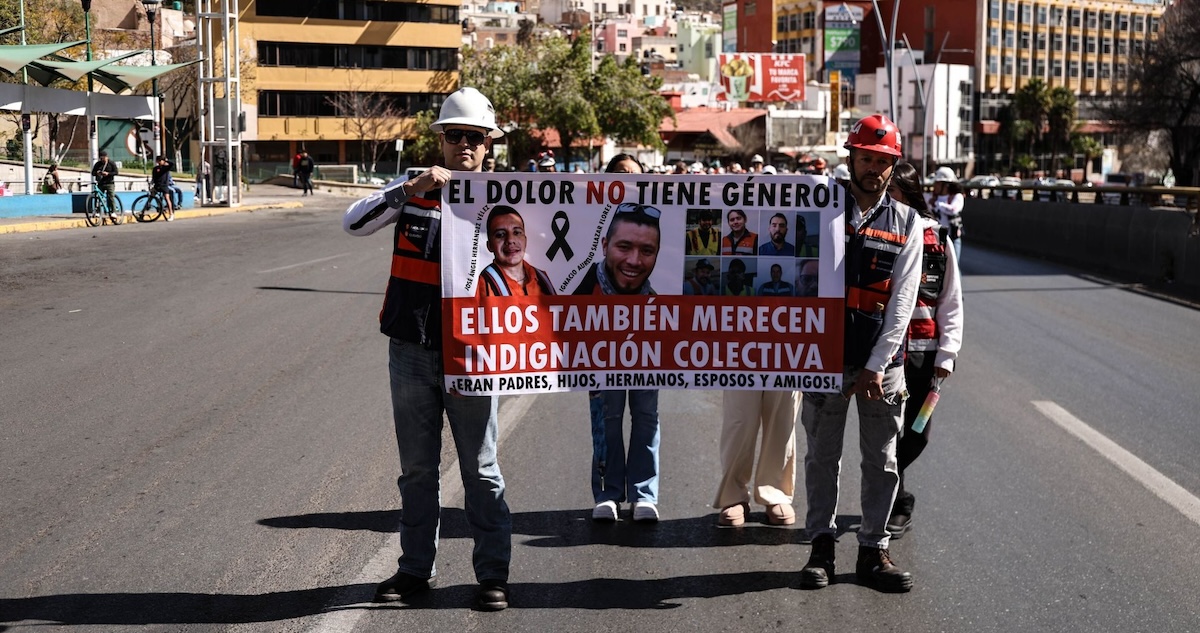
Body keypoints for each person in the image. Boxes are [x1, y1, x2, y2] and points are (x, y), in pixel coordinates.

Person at [342, 87, 512, 611]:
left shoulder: (507, 201)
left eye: (474, 138)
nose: (464, 144)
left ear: (488, 145)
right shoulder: (411, 188)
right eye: (455, 135)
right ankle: (416, 569)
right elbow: (353, 222)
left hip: (475, 354)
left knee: (481, 470)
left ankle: (492, 575)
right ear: (441, 140)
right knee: (417, 470)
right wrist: (407, 189)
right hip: (411, 349)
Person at [798, 113, 922, 593]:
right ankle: (821, 549)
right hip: (824, 360)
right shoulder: (818, 206)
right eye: (866, 158)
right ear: (850, 157)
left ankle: (874, 550)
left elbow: (903, 301)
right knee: (821, 457)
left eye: (883, 161)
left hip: (881, 368)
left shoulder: (909, 223)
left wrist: (877, 365)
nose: (873, 168)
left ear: (893, 166)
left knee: (883, 461)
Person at [884, 161, 964, 538]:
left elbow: (950, 301)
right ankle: (894, 501)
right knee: (884, 433)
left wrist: (946, 354)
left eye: (894, 192)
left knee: (918, 432)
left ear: (910, 195)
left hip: (923, 354)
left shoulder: (938, 239)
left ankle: (893, 488)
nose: (887, 199)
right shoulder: (874, 233)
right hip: (882, 357)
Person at [573, 194, 664, 524]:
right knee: (607, 421)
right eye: (624, 247)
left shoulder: (659, 295)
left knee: (646, 419)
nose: (634, 260)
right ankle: (608, 493)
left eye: (646, 251)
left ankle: (644, 494)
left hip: (646, 363)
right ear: (605, 244)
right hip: (601, 367)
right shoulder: (584, 288)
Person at [476, 205, 555, 297]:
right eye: (500, 234)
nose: (510, 240)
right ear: (489, 245)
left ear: (525, 240)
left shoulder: (542, 279)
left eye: (517, 232)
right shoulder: (482, 283)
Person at [931, 167, 965, 256]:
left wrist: (938, 204)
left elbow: (953, 210)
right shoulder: (933, 198)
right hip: (937, 238)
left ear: (946, 185)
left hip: (952, 238)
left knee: (953, 268)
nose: (935, 186)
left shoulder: (957, 197)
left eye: (938, 183)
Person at [91, 150, 119, 219]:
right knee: (98, 197)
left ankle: (113, 212)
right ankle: (97, 211)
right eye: (101, 158)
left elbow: (116, 172)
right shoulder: (98, 164)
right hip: (101, 183)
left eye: (103, 158)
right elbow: (93, 173)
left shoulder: (111, 163)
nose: (102, 160)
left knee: (111, 196)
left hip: (109, 183)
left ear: (107, 157)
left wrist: (108, 174)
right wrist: (97, 173)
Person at [151, 155, 177, 221]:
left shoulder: (166, 168)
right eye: (158, 161)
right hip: (157, 186)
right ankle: (144, 210)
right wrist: (152, 183)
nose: (159, 162)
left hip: (164, 186)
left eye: (161, 161)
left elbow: (172, 164)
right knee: (151, 196)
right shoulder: (155, 169)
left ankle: (171, 214)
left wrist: (166, 160)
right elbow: (154, 177)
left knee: (167, 198)